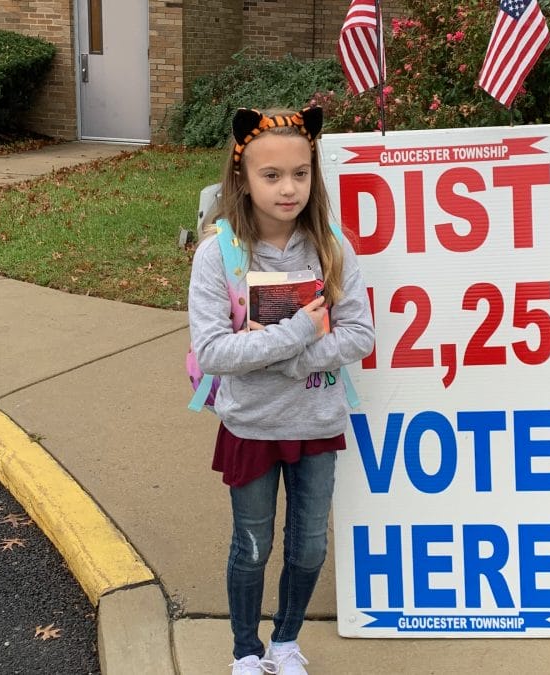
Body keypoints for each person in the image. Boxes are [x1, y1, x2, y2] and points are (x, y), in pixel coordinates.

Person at [188, 106, 375, 675]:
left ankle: (286, 643)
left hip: (317, 420)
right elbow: (214, 352)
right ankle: (246, 652)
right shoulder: (218, 255)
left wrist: (281, 357)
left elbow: (360, 334)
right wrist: (298, 333)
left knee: (310, 545)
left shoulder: (332, 247)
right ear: (242, 178)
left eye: (300, 173)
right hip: (251, 424)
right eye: (271, 175)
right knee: (252, 546)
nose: (288, 188)